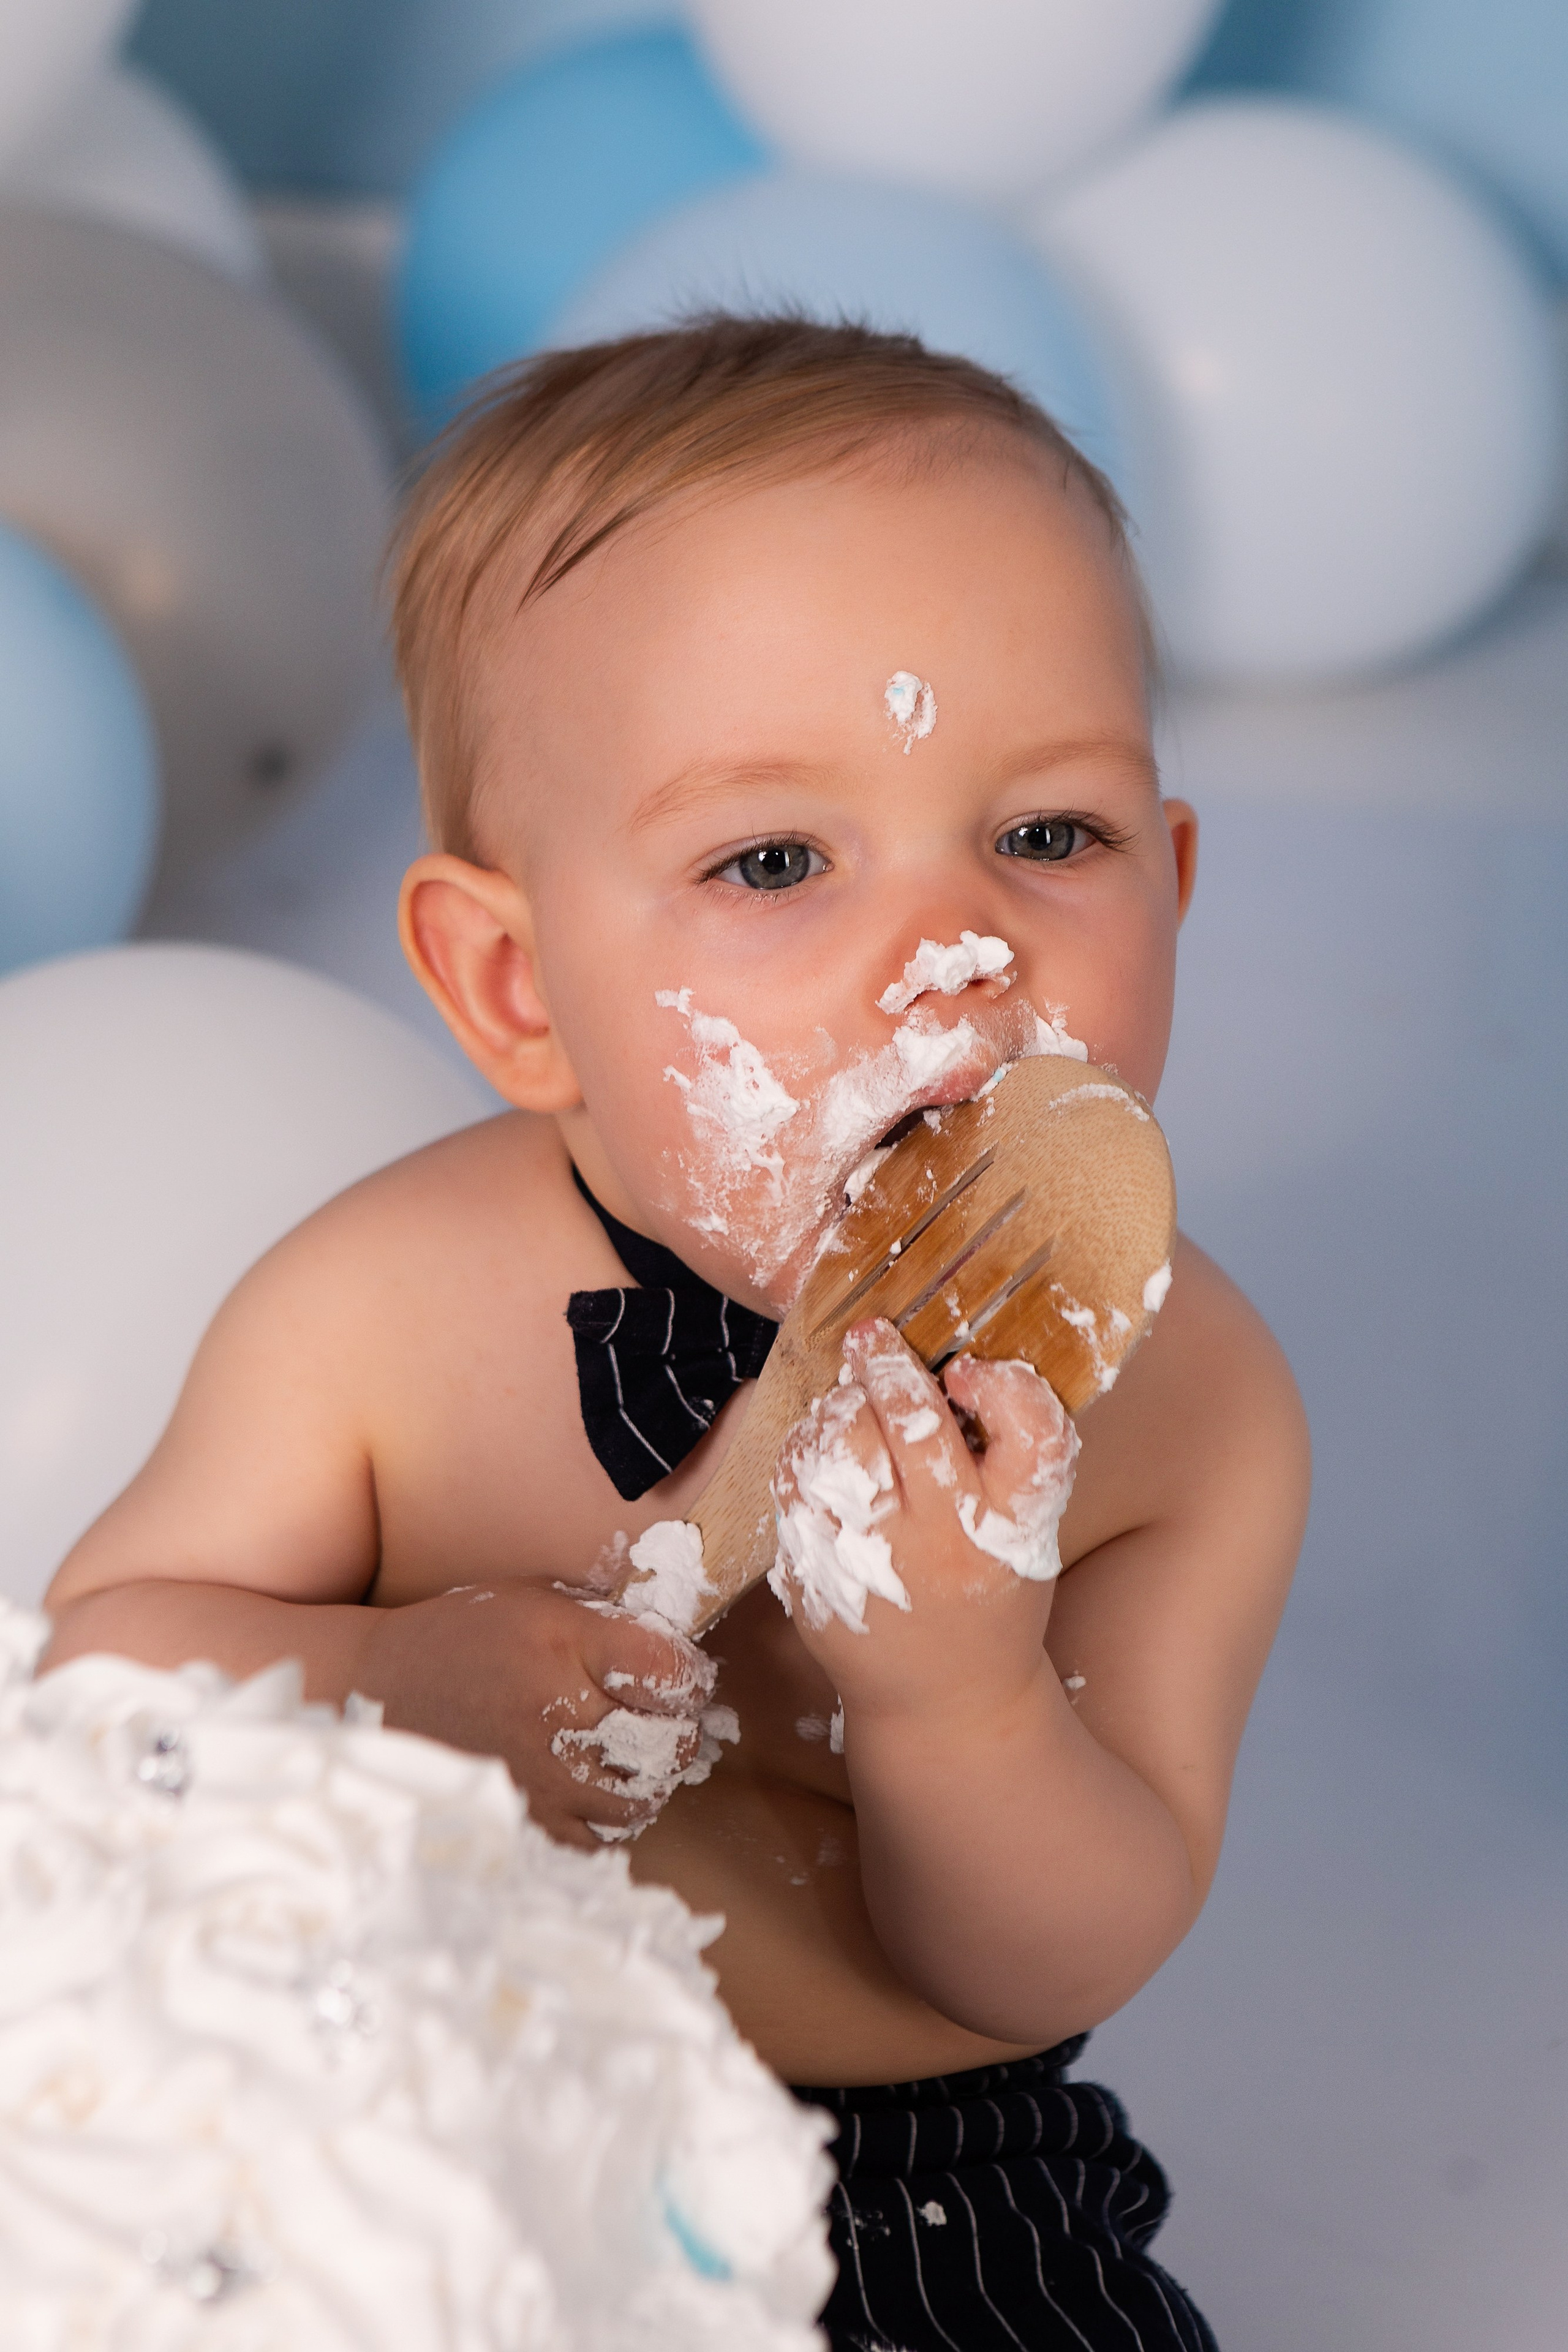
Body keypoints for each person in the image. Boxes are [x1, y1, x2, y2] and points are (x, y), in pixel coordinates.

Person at [44, 317, 1310, 2350]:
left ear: (1171, 883)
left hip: (897, 2184)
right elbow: (112, 1673)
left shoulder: (1193, 1404)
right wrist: (391, 1679)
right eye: (778, 859)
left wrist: (959, 1707)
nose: (956, 946)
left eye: (1049, 836)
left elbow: (1066, 1952)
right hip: (407, 2095)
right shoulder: (377, 1313)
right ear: (517, 986)